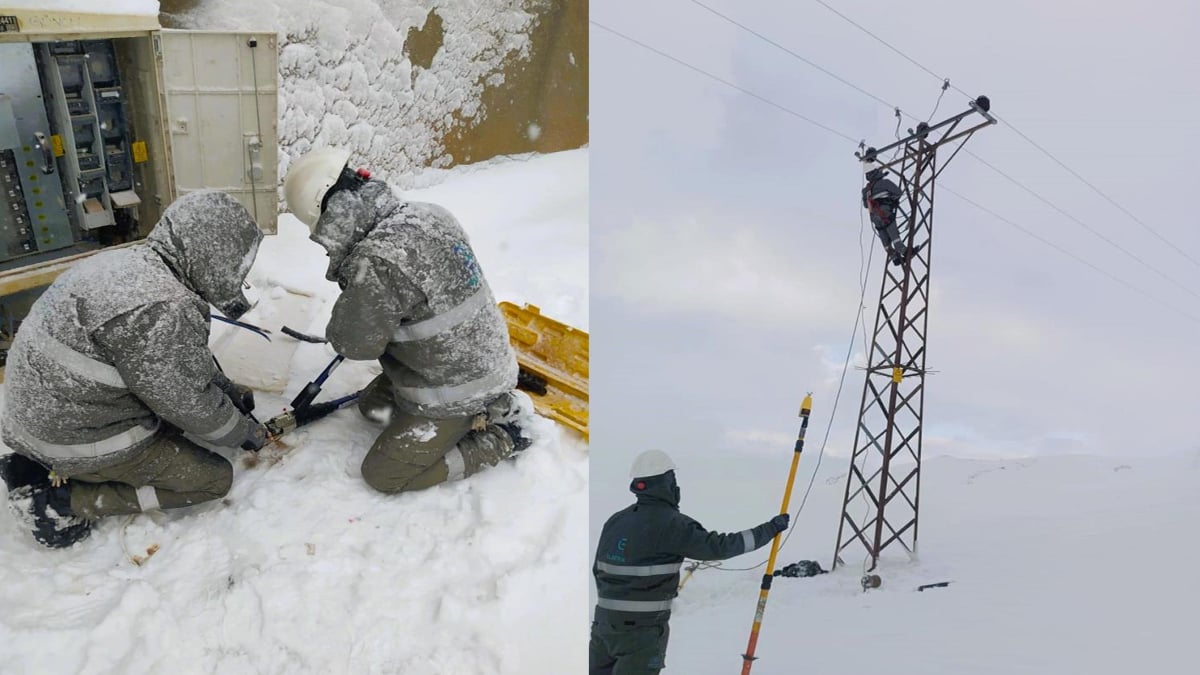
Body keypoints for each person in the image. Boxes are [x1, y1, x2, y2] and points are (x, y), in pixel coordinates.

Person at [0, 190, 269, 548]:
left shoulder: (129, 267)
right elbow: (184, 402)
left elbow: (177, 364)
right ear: (214, 256)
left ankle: (34, 465)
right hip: (72, 439)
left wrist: (225, 389)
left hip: (32, 418)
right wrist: (242, 433)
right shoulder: (164, 307)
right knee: (211, 479)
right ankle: (62, 504)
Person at [282, 147, 533, 495]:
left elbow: (354, 344)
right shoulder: (427, 215)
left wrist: (355, 291)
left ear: (332, 217)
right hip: (480, 357)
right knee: (373, 407)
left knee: (384, 475)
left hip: (456, 388)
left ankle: (504, 436)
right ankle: (485, 403)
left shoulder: (379, 262)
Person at [589, 449, 790, 675]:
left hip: (602, 628)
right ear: (666, 483)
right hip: (640, 634)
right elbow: (720, 547)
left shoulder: (615, 521)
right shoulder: (673, 524)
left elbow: (598, 570)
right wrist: (770, 529)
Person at [861, 162, 910, 266]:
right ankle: (905, 252)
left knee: (885, 238)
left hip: (874, 217)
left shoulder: (866, 190)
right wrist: (891, 200)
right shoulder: (885, 182)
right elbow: (898, 193)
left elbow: (866, 205)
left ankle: (894, 258)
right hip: (884, 212)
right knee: (893, 234)